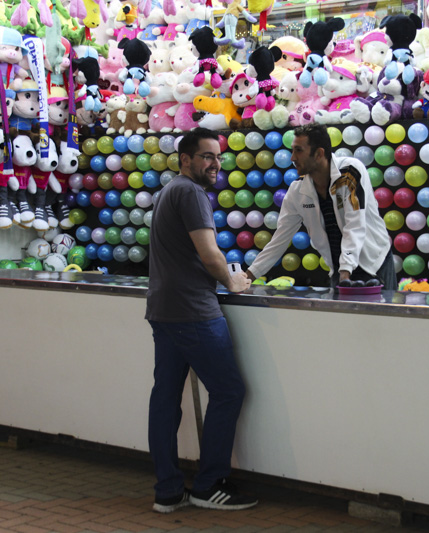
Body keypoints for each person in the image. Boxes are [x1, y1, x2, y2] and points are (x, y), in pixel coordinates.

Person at [145, 127, 257, 514]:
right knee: (228, 391)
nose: (215, 164)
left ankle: (168, 490)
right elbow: (210, 254)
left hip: (163, 310)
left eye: (218, 157)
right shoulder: (191, 192)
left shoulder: (167, 192)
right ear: (186, 159)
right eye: (206, 156)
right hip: (194, 312)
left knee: (165, 400)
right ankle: (209, 485)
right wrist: (233, 280)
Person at [246, 124, 396, 289]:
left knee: (383, 315)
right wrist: (248, 276)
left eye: (299, 150)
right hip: (340, 271)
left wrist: (345, 274)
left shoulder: (350, 171)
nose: (292, 158)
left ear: (319, 154)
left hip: (374, 264)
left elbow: (355, 225)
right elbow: (279, 240)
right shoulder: (297, 191)